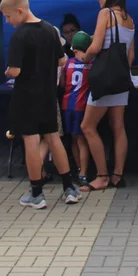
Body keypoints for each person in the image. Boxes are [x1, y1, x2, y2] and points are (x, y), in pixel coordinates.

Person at [0, 0, 80, 208]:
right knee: (54, 138)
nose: (8, 22)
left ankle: (36, 193)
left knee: (31, 142)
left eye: (8, 17)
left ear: (19, 10)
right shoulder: (50, 30)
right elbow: (62, 61)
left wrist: (8, 72)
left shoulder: (19, 36)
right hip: (48, 95)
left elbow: (15, 71)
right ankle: (69, 188)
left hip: (26, 97)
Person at [80, 0, 135, 192]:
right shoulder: (130, 20)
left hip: (104, 80)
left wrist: (84, 56)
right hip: (121, 79)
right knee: (118, 127)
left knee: (87, 126)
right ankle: (117, 175)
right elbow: (131, 55)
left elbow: (95, 47)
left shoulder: (105, 14)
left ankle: (102, 175)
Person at [62, 30, 93, 186]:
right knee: (82, 140)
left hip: (67, 105)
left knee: (73, 139)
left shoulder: (67, 64)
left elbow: (62, 84)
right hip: (83, 106)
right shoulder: (91, 65)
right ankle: (83, 173)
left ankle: (78, 168)